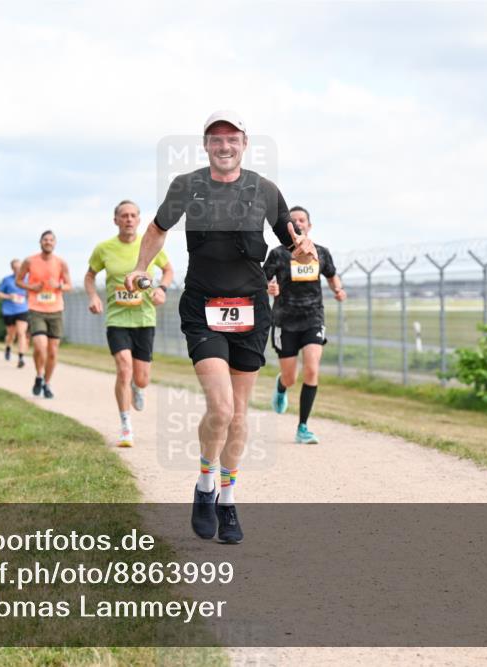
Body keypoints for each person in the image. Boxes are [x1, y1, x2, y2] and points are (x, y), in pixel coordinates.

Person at [125, 110, 316, 544]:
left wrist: (305, 253)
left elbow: (296, 250)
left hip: (251, 311)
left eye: (232, 139)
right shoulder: (187, 186)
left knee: (240, 416)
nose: (224, 146)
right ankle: (205, 485)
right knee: (222, 410)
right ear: (206, 145)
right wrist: (140, 267)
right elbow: (157, 229)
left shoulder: (265, 191)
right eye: (216, 139)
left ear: (245, 144)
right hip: (203, 307)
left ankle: (227, 498)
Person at [85, 199, 174, 447]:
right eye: (124, 215)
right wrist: (93, 296)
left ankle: (139, 386)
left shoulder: (149, 245)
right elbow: (90, 276)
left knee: (141, 377)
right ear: (116, 220)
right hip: (117, 319)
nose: (129, 219)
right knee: (124, 368)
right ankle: (126, 426)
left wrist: (162, 290)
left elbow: (168, 270)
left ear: (139, 219)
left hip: (144, 318)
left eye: (133, 215)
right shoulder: (104, 248)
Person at [264, 206, 346, 444]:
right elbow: (264, 278)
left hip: (313, 318)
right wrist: (270, 287)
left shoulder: (321, 252)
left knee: (312, 369)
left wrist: (338, 290)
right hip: (284, 320)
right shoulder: (278, 254)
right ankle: (281, 386)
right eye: (294, 220)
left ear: (309, 225)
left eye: (303, 219)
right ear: (288, 228)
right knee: (290, 377)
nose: (299, 223)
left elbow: (331, 275)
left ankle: (303, 427)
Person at [17, 231, 72, 398]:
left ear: (55, 243)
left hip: (56, 310)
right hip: (36, 309)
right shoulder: (29, 261)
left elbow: (69, 285)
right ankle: (39, 374)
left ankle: (46, 383)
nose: (48, 242)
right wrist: (31, 287)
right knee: (41, 347)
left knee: (53, 351)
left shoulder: (61, 263)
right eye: (45, 240)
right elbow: (18, 281)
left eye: (51, 240)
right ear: (40, 242)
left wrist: (59, 286)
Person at [0, 259, 30, 368]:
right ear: (12, 268)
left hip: (22, 309)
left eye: (20, 267)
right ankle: (8, 347)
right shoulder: (7, 280)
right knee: (11, 334)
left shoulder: (28, 279)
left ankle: (21, 357)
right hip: (9, 310)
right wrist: (9, 296)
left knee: (21, 333)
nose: (18, 270)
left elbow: (31, 292)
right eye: (15, 268)